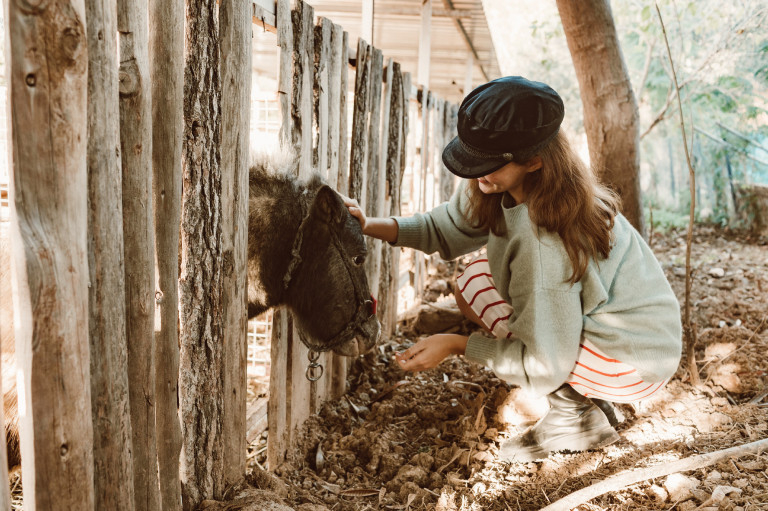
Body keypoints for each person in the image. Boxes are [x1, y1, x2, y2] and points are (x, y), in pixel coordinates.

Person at [344, 76, 682, 463]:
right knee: (473, 279)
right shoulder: (502, 184)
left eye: (488, 165)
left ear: (534, 161)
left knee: (516, 318)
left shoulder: (545, 242)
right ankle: (585, 399)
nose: (477, 174)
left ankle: (574, 418)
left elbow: (544, 365)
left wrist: (456, 346)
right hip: (621, 335)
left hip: (633, 362)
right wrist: (369, 224)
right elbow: (446, 227)